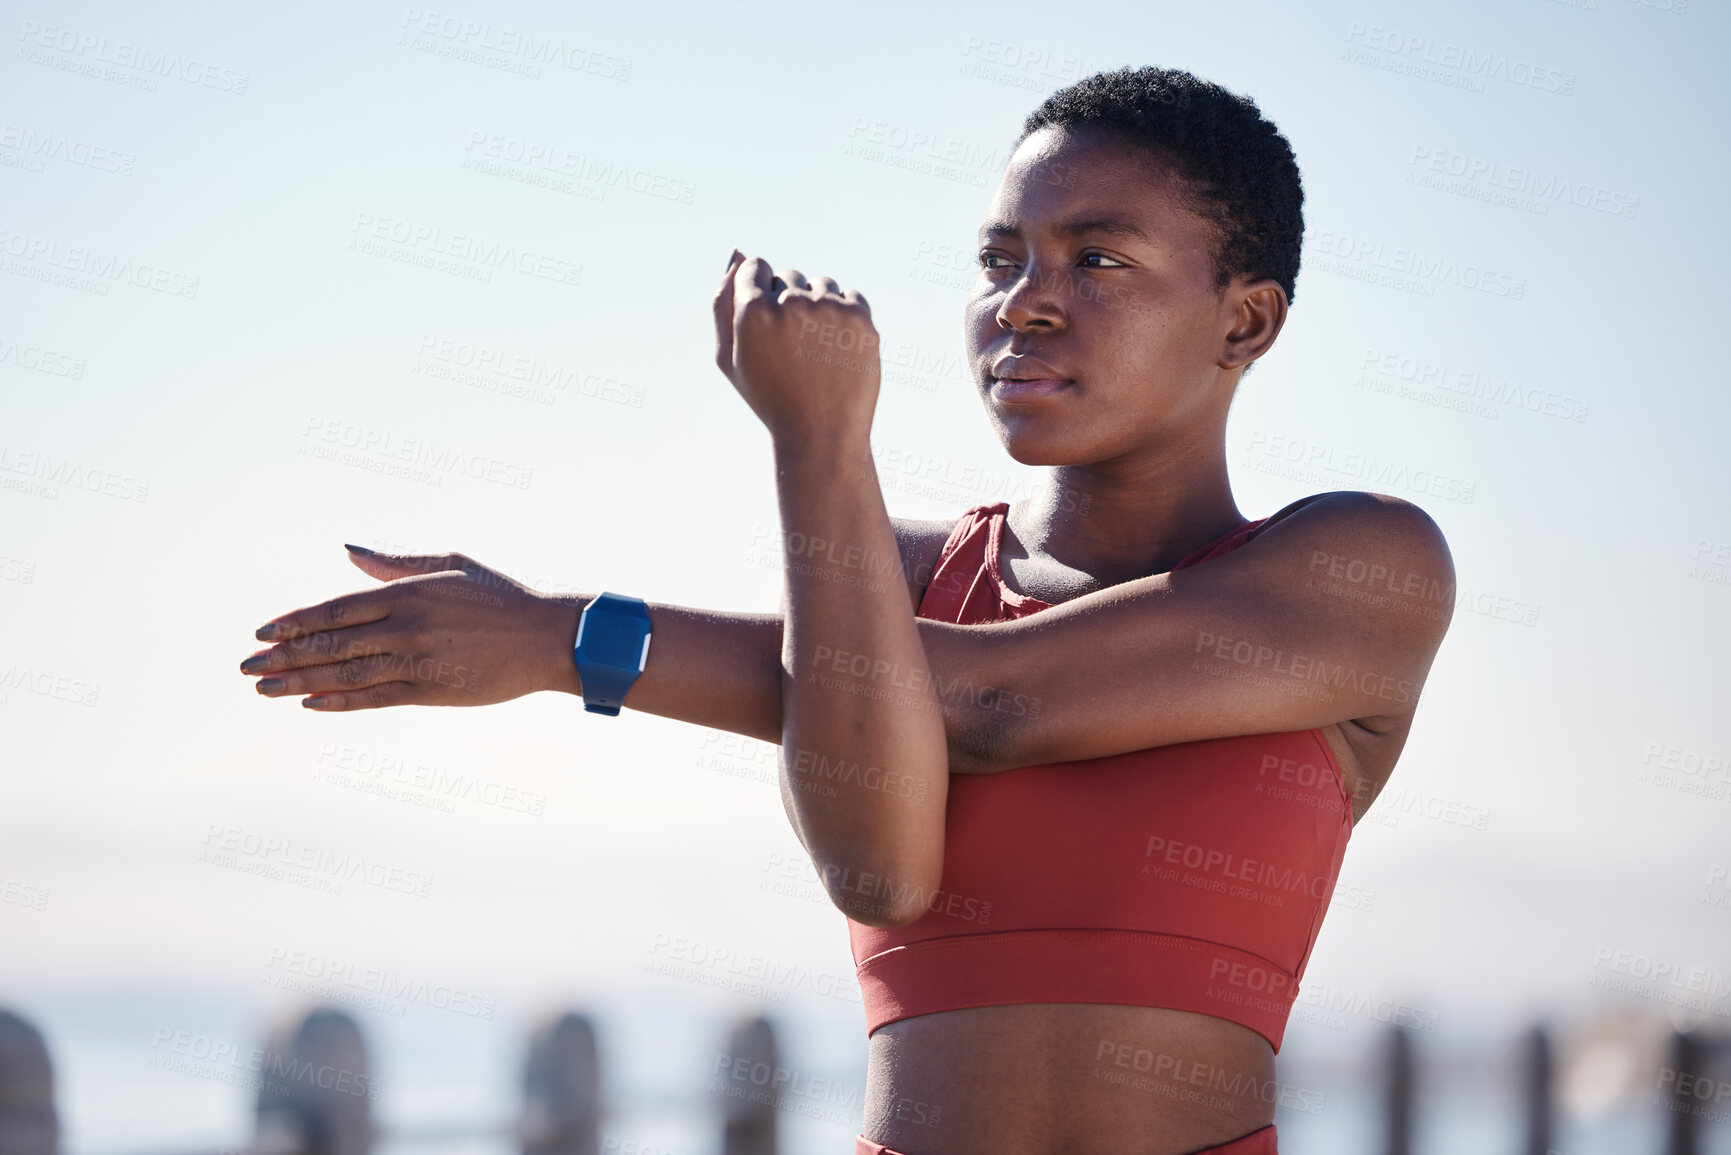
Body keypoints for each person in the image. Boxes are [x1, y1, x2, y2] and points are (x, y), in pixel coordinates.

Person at [240, 66, 1454, 1155]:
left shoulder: (1361, 568)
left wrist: (563, 638)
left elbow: (993, 697)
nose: (1024, 302)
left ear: (1245, 318)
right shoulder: (884, 577)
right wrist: (818, 451)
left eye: (1098, 259)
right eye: (998, 260)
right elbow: (876, 874)